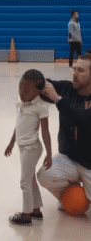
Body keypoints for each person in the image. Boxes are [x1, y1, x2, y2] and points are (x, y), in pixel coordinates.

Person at [37, 53, 91, 212]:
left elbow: (83, 119)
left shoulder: (62, 96)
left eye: (81, 70)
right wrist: (36, 81)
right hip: (70, 159)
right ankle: (69, 194)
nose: (74, 73)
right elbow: (44, 85)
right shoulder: (67, 89)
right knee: (45, 174)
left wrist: (58, 100)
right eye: (74, 69)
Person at [5, 69, 52, 226]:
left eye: (26, 90)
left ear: (38, 91)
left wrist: (49, 154)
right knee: (30, 179)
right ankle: (36, 210)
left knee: (24, 182)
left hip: (31, 148)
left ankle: (26, 215)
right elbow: (18, 124)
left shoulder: (40, 107)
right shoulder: (21, 101)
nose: (22, 92)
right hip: (22, 146)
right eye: (20, 88)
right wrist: (12, 142)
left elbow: (45, 132)